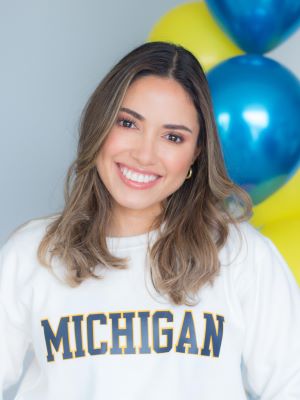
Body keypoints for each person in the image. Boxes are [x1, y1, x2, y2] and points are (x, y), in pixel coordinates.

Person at [0, 42, 299, 400]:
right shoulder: (34, 253)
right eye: (128, 123)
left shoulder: (241, 255)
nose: (144, 154)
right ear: (100, 125)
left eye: (173, 137)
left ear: (196, 154)